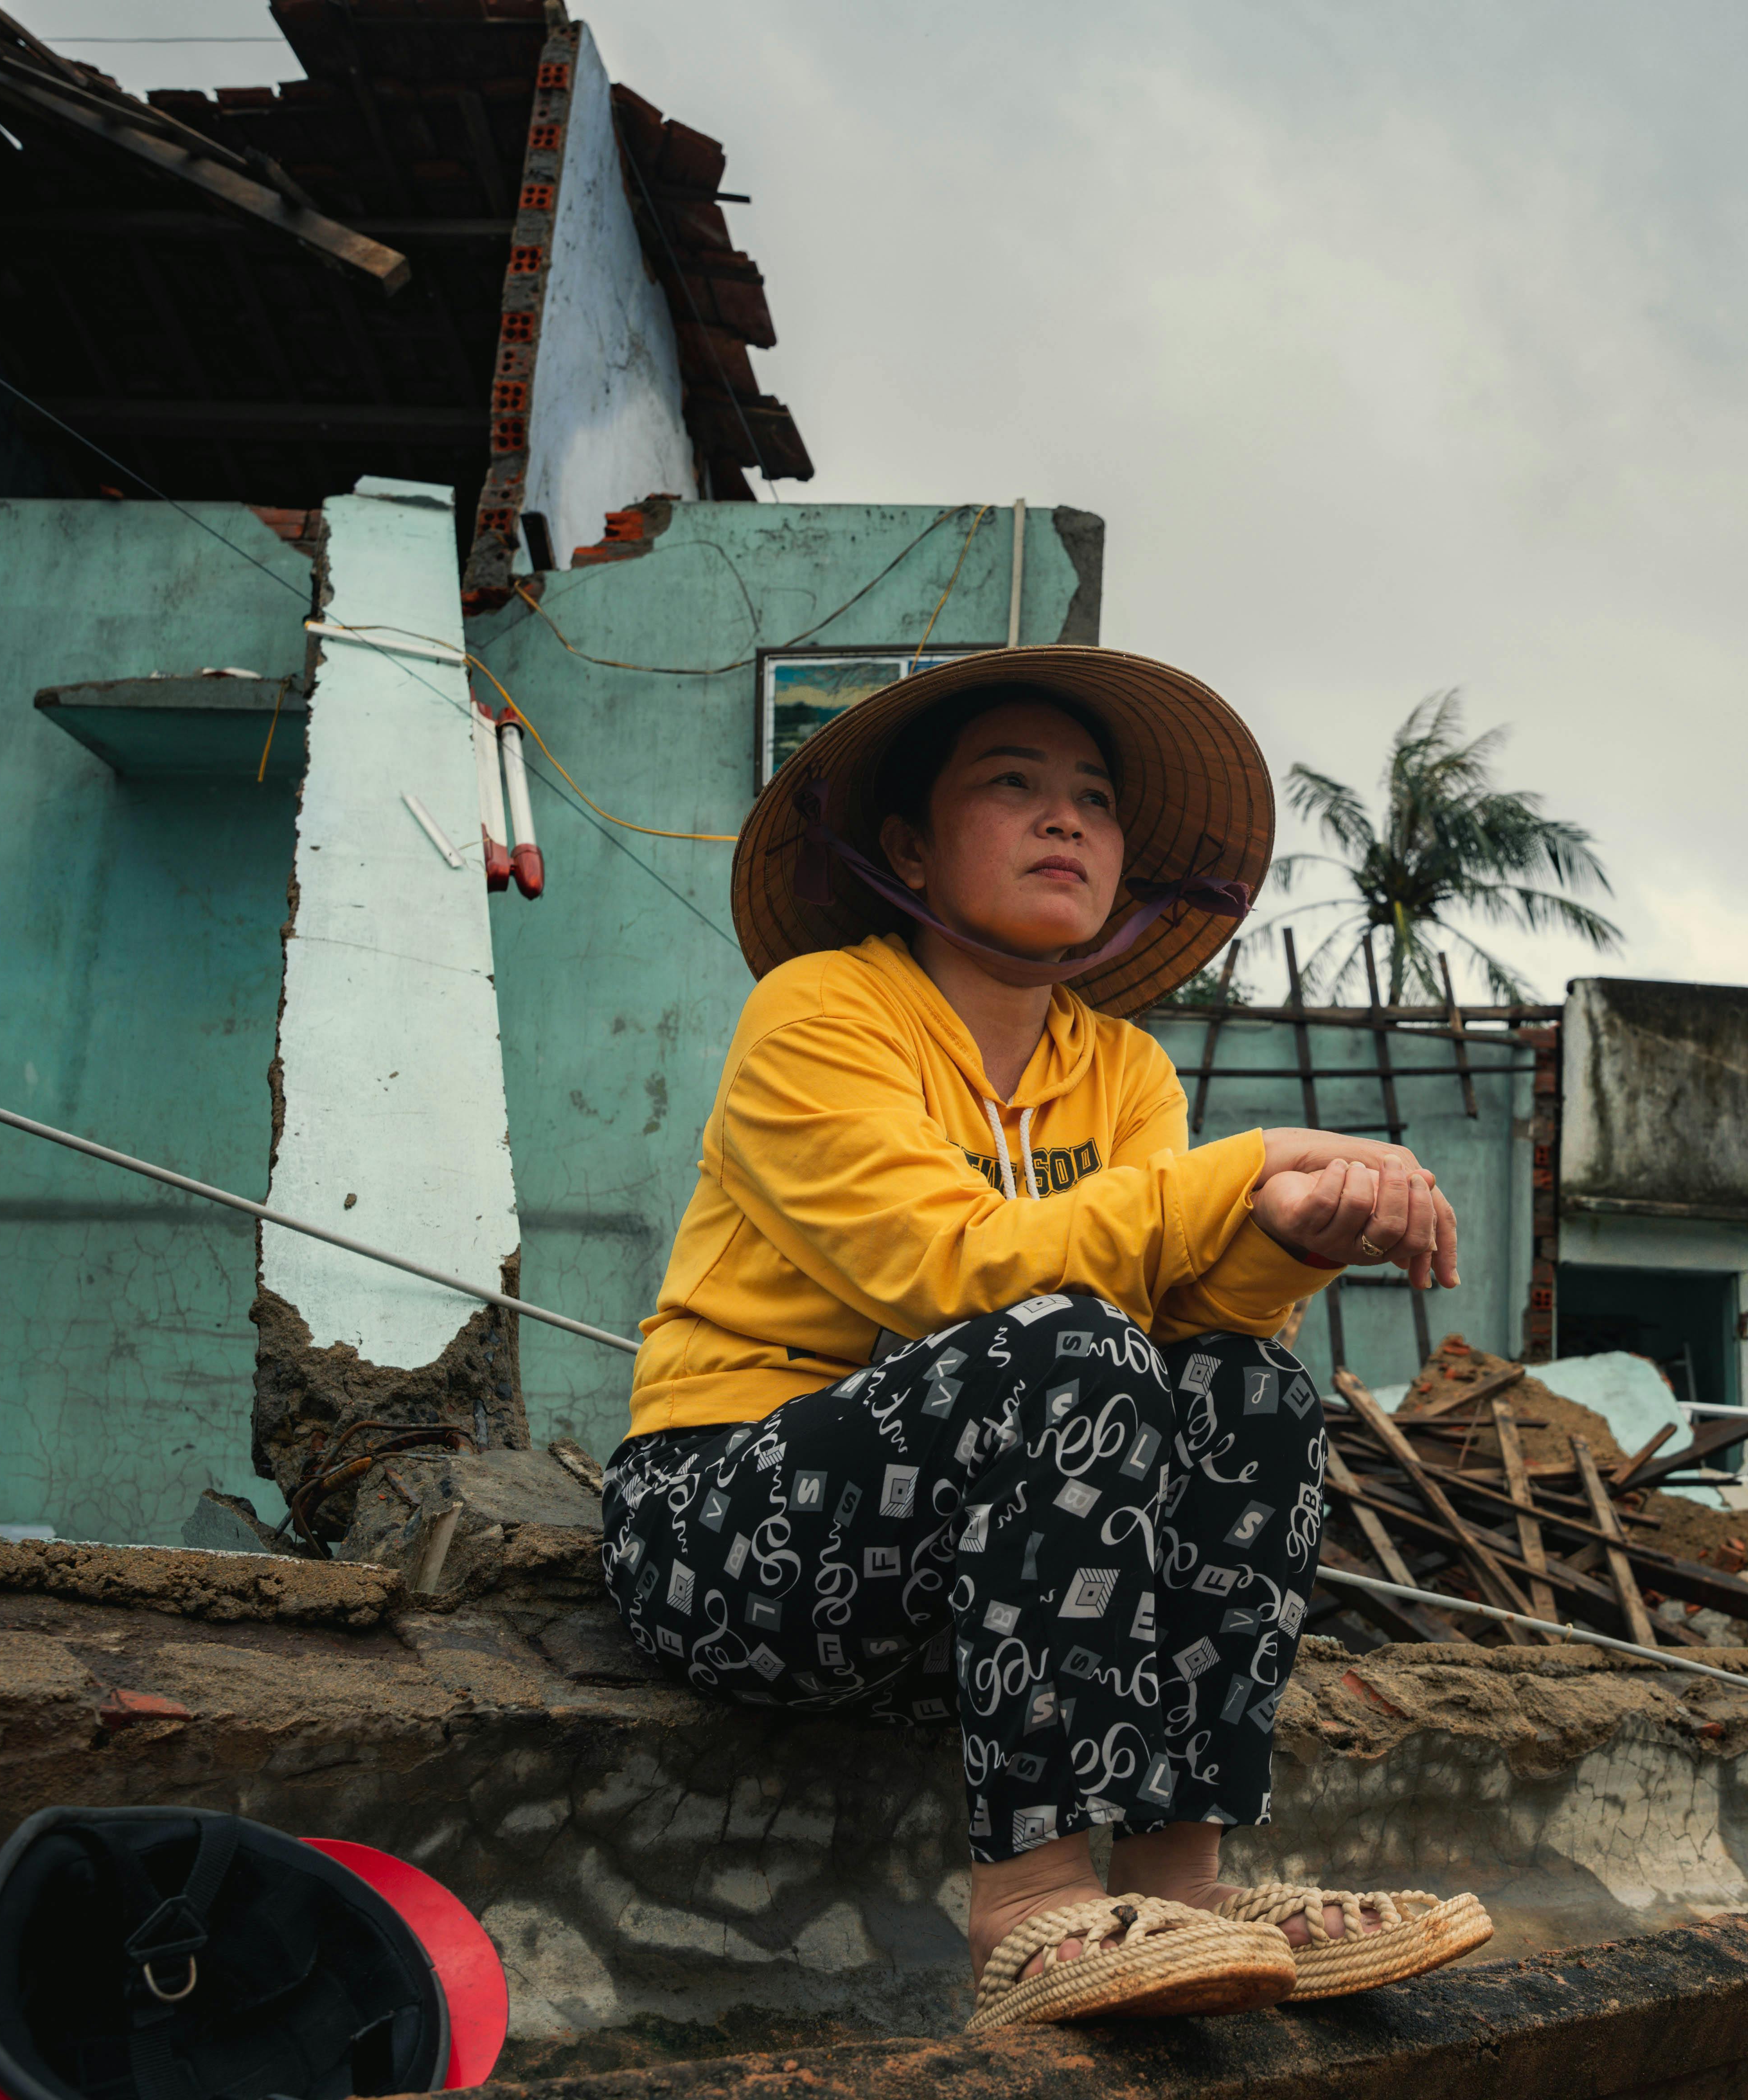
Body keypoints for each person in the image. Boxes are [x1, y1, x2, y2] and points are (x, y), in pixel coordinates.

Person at [603, 649, 1493, 2032]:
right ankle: (1028, 1910)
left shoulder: (1122, 1066)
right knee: (1064, 1347)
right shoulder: (821, 1013)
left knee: (1250, 1387)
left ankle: (1184, 1886)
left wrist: (1284, 1239)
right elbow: (959, 1270)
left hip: (972, 1574)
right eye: (1011, 785)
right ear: (911, 846)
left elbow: (1175, 1336)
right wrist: (1257, 1159)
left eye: (1094, 798)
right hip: (729, 1529)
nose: (1065, 818)